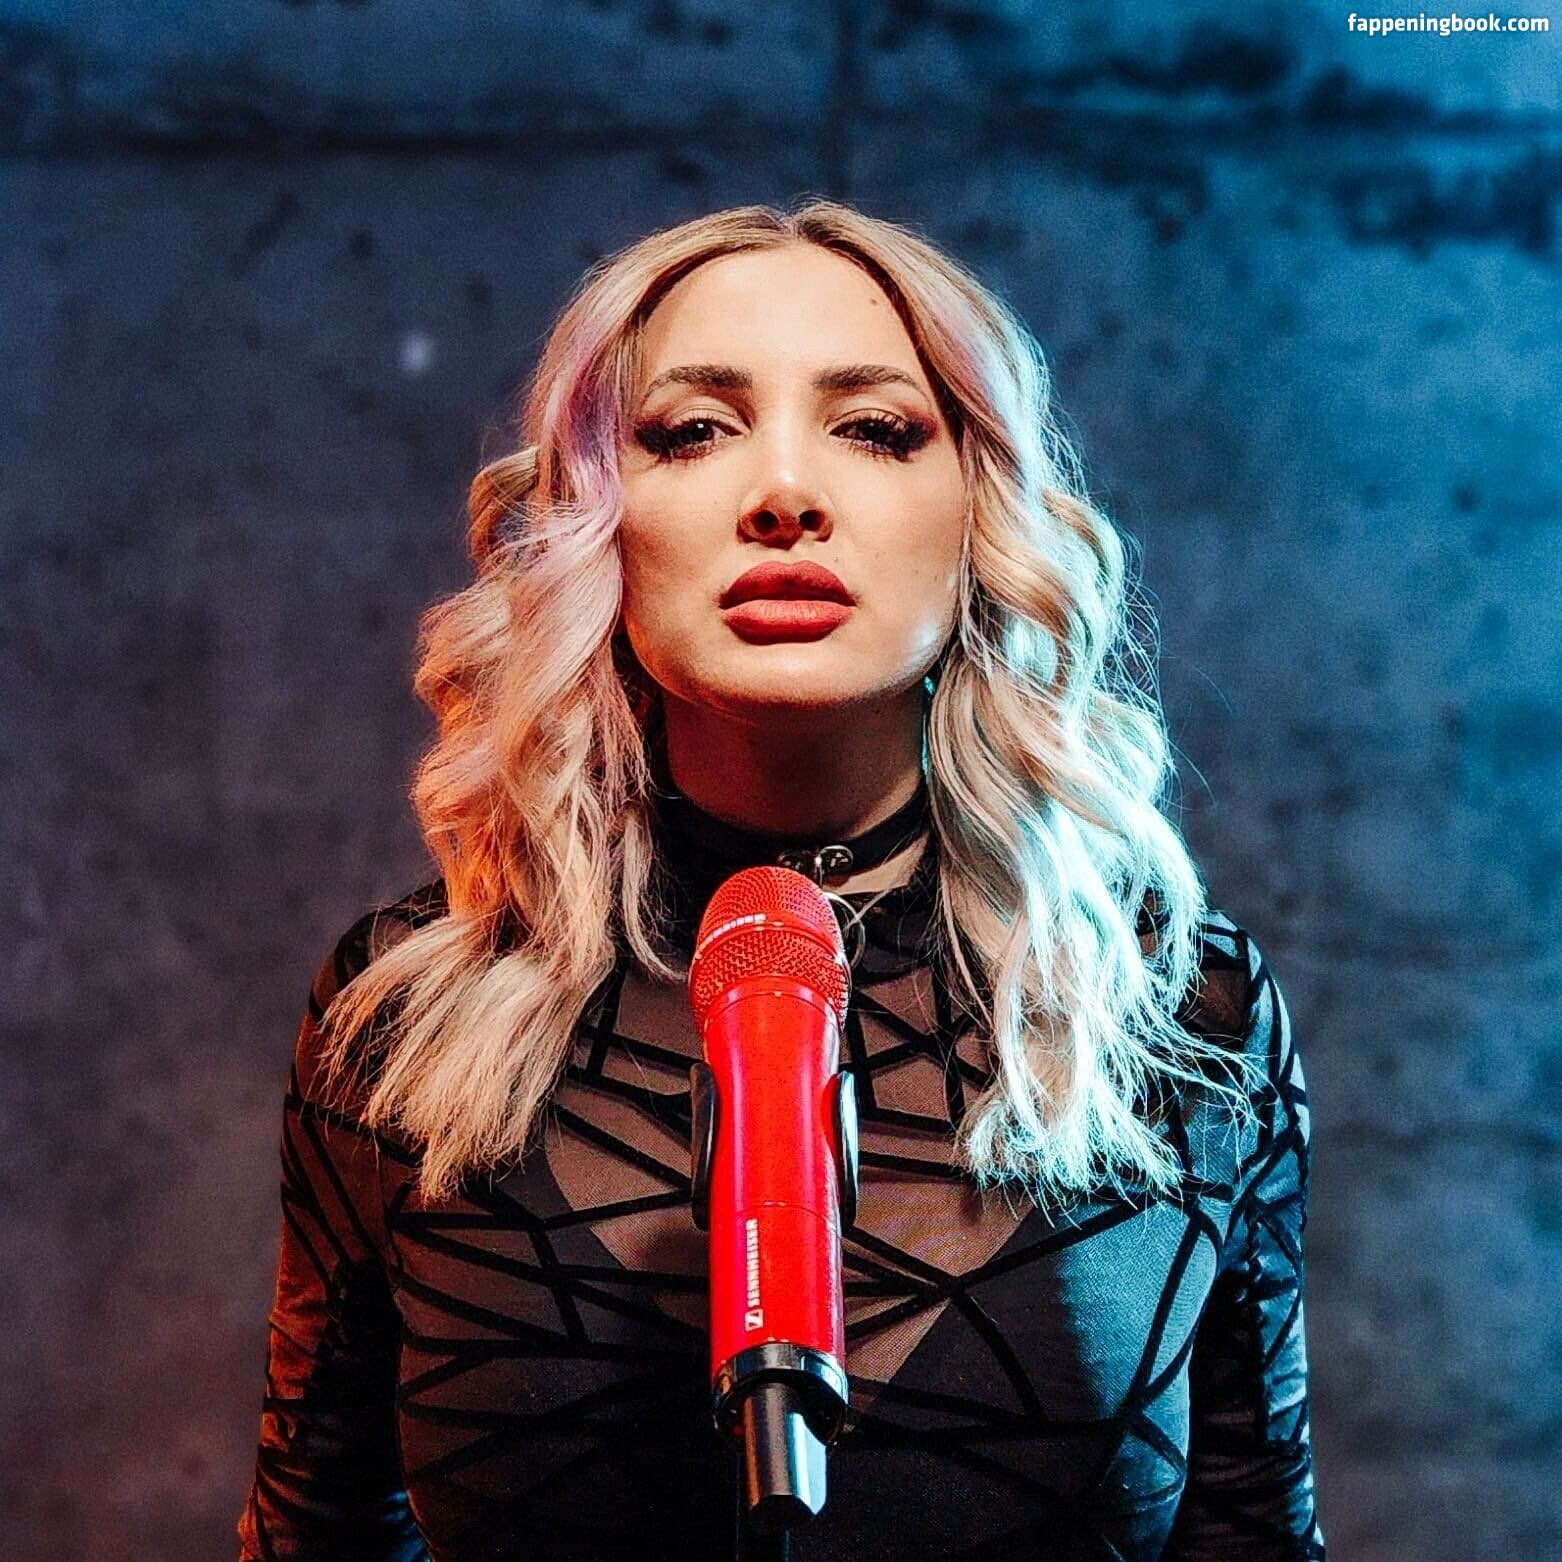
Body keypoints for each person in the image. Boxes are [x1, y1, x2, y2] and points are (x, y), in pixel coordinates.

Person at [236, 198, 1324, 1560]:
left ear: (981, 509)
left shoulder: (1174, 1011)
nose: (785, 493)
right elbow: (312, 1535)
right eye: (694, 430)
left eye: (874, 428)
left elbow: (1255, 1537)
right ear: (592, 518)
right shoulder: (407, 1018)